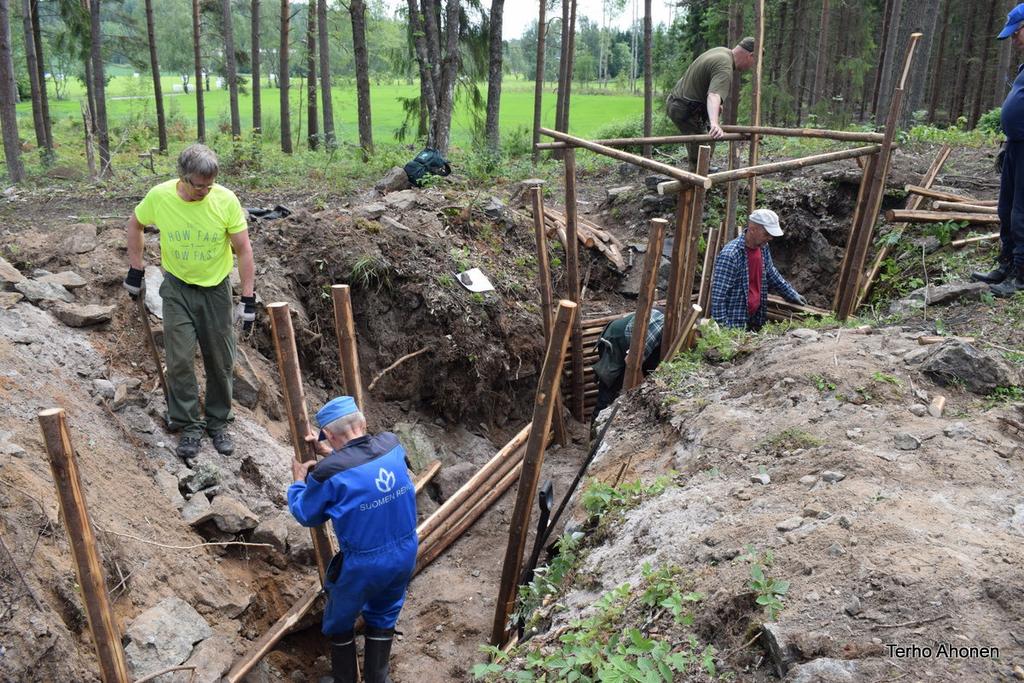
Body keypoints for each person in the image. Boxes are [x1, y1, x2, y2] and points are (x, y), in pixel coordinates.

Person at [123, 144, 256, 460]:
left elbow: (244, 249)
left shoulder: (224, 200)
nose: (206, 191)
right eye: (199, 185)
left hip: (216, 291)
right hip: (178, 289)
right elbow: (135, 224)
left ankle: (218, 422)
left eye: (210, 185)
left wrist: (248, 298)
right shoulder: (160, 197)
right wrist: (135, 268)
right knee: (180, 359)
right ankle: (189, 425)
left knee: (221, 360)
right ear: (183, 177)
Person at [290, 396, 417, 683]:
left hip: (364, 563)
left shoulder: (328, 473)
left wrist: (299, 482)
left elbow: (307, 514)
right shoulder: (392, 445)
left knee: (339, 620)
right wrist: (333, 454)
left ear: (330, 436)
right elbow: (364, 468)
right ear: (362, 423)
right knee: (385, 613)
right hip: (406, 551)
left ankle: (345, 680)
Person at [975, 3, 1024, 296]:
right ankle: (1006, 263)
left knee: (1022, 212)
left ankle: (1020, 277)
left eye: (1016, 33)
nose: (1015, 41)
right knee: (1006, 209)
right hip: (1016, 146)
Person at [665, 37, 756, 171]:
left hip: (682, 102)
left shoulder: (722, 52)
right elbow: (713, 95)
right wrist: (714, 123)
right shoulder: (725, 67)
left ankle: (703, 170)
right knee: (701, 145)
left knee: (709, 138)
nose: (751, 67)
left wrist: (714, 113)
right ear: (751, 56)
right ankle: (696, 181)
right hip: (683, 107)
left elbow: (708, 87)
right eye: (754, 62)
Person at [710, 209, 806, 331]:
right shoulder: (730, 255)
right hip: (734, 323)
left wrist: (791, 294)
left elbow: (771, 273)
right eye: (766, 234)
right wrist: (724, 330)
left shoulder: (763, 247)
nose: (770, 238)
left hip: (755, 317)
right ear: (752, 229)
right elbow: (718, 297)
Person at [592, 308, 664, 415]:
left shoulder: (676, 332)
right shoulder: (659, 326)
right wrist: (640, 390)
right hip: (617, 340)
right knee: (610, 387)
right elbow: (631, 360)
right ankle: (598, 424)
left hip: (637, 346)